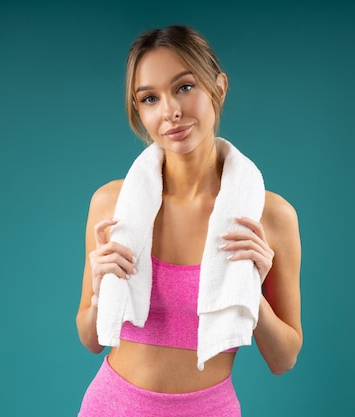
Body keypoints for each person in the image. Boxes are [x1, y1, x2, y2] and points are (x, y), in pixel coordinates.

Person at [76, 25, 302, 417]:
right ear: (139, 112)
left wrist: (253, 291)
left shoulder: (269, 217)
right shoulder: (111, 204)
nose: (171, 112)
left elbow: (284, 359)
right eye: (150, 98)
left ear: (219, 87)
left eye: (184, 87)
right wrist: (99, 290)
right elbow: (91, 338)